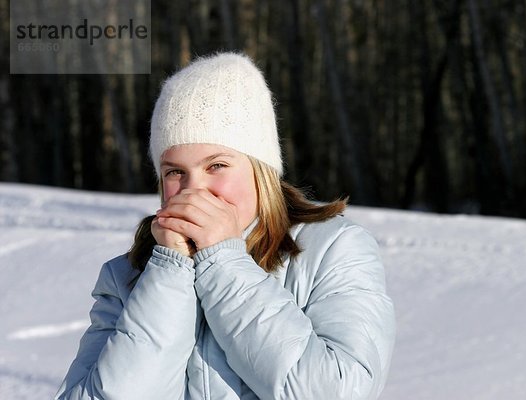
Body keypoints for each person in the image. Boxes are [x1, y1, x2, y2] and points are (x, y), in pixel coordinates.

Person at [55, 52, 396, 400]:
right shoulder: (125, 277)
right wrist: (168, 275)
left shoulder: (333, 250)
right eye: (175, 172)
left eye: (216, 165)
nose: (194, 190)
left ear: (260, 170)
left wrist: (223, 261)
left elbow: (337, 391)